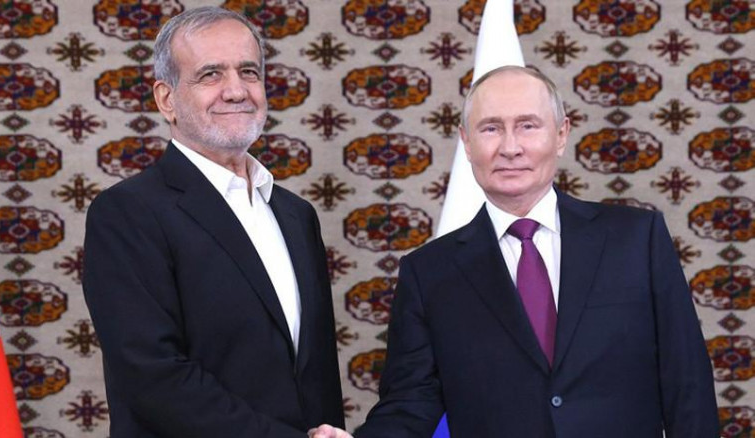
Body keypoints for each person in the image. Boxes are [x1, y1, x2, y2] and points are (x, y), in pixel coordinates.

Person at [311, 66, 718, 437]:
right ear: (466, 142)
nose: (510, 147)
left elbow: (688, 384)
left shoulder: (637, 240)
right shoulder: (428, 273)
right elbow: (411, 403)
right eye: (491, 128)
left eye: (527, 126)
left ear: (561, 134)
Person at [83, 7, 344, 437]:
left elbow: (316, 374)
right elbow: (154, 378)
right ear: (166, 100)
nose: (237, 91)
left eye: (249, 72)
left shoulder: (297, 216)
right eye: (211, 75)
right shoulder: (127, 214)